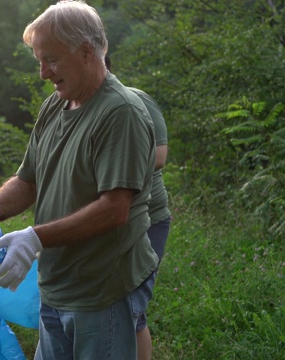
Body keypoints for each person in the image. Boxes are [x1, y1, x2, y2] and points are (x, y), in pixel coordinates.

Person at [0, 1, 158, 358]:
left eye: (52, 60)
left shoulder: (120, 112)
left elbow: (114, 210)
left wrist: (34, 238)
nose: (43, 73)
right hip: (56, 285)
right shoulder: (56, 104)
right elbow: (28, 180)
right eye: (39, 61)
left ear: (87, 51)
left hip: (103, 288)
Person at [105, 55, 172, 360]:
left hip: (148, 219)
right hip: (109, 221)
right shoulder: (81, 108)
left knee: (133, 307)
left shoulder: (135, 101)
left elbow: (159, 156)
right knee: (113, 305)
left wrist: (110, 164)